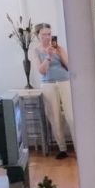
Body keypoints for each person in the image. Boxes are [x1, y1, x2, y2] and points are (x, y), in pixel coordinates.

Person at [32, 23, 74, 159]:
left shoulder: (58, 48)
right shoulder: (36, 51)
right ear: (37, 35)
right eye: (44, 34)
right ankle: (62, 149)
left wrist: (59, 53)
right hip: (48, 84)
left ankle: (79, 147)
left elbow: (69, 66)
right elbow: (42, 71)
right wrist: (48, 57)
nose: (47, 37)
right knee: (55, 118)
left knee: (71, 116)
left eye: (49, 34)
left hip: (64, 81)